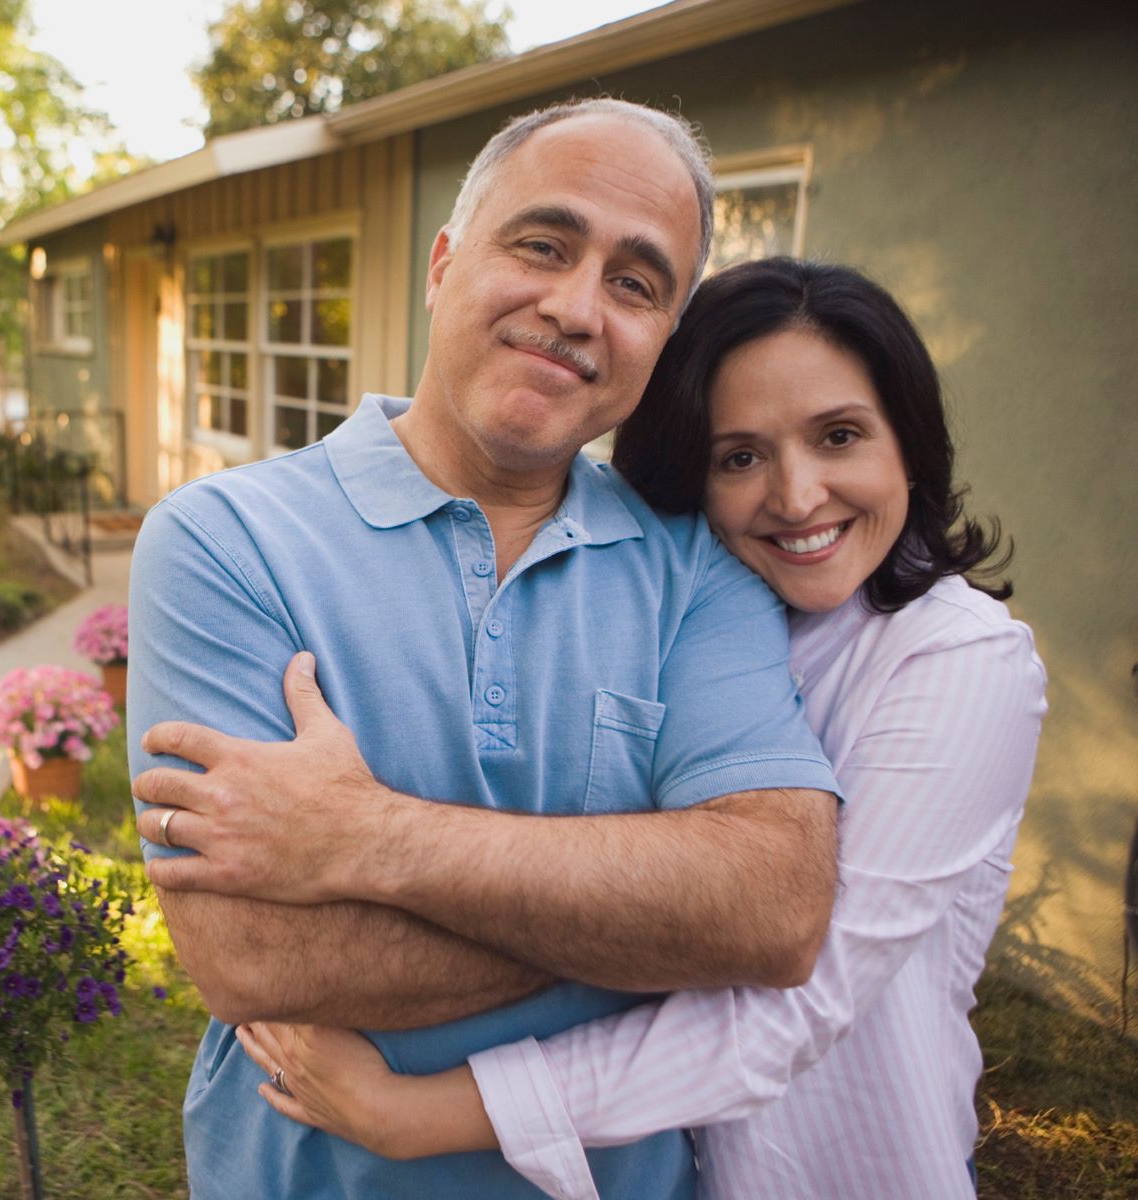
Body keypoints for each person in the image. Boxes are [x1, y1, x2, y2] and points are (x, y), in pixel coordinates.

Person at [125, 99, 844, 1199]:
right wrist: (654, 919)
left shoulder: (700, 565)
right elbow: (254, 958)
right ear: (444, 264)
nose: (576, 306)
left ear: (661, 340)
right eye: (543, 245)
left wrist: (366, 839)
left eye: (636, 283)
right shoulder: (227, 541)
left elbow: (774, 909)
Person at [208, 259, 1047, 1199]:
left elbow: (795, 992)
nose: (798, 495)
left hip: (848, 1169)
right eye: (740, 456)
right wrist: (648, 907)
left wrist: (418, 1113)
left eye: (839, 436)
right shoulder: (700, 603)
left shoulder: (958, 657)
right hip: (677, 1170)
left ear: (910, 445)